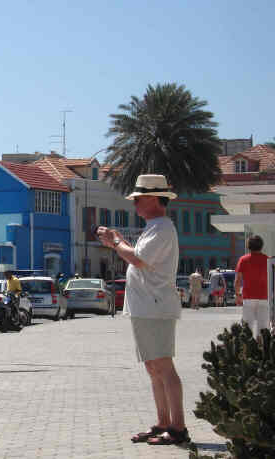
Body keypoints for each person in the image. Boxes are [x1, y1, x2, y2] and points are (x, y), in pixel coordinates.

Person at [96, 174, 189, 446]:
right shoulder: (155, 227)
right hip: (147, 307)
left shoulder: (161, 228)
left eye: (138, 198)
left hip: (155, 307)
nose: (135, 203)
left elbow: (138, 259)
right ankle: (164, 422)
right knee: (154, 366)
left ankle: (178, 426)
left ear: (152, 199)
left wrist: (114, 241)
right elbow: (137, 255)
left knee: (163, 365)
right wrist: (117, 241)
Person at [234, 235, 269, 341]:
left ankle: (247, 352)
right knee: (262, 327)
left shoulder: (243, 260)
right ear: (261, 246)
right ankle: (260, 351)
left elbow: (238, 280)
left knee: (247, 327)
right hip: (264, 297)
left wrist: (238, 295)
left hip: (248, 297)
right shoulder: (267, 260)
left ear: (248, 246)